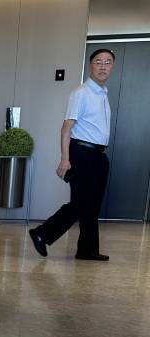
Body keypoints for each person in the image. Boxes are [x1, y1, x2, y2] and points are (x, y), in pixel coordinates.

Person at [29, 48, 115, 261]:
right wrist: (65, 159)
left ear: (112, 67)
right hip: (83, 153)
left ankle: (87, 250)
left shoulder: (103, 94)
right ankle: (42, 233)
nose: (103, 66)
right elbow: (66, 128)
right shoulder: (82, 93)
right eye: (98, 62)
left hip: (98, 155)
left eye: (107, 62)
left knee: (92, 205)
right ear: (90, 65)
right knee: (81, 203)